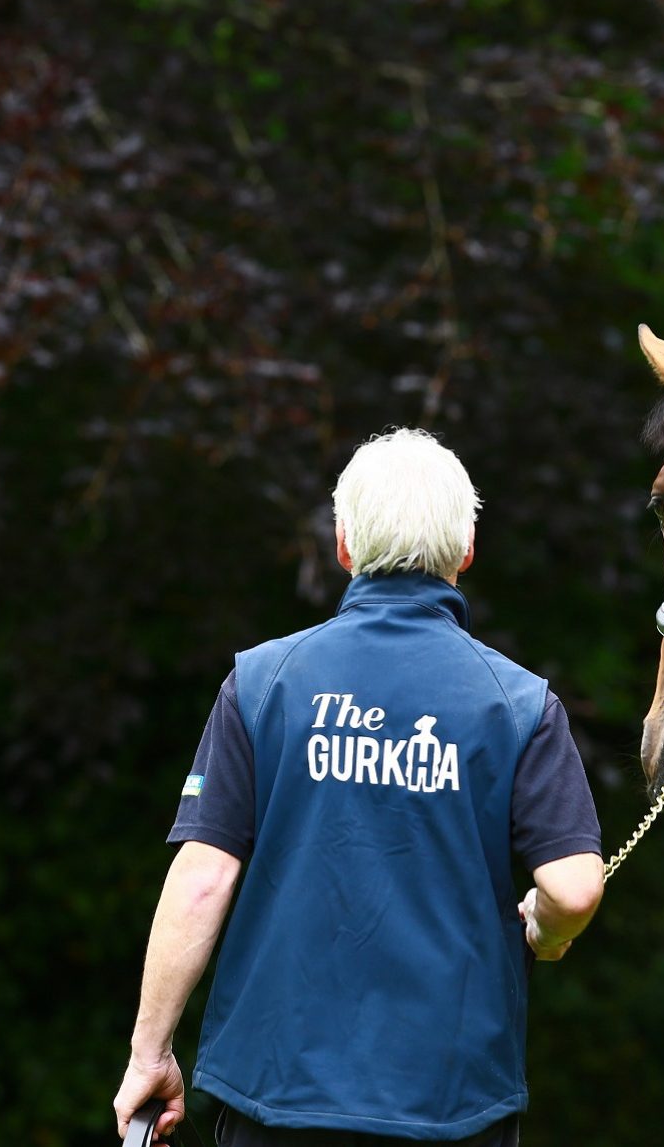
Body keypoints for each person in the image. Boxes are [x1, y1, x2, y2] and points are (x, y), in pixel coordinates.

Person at [111, 428, 604, 1146]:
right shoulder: (519, 703)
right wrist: (549, 929)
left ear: (343, 545)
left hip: (274, 1098)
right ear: (467, 548)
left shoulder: (263, 682)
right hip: (451, 1109)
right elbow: (574, 887)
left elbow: (202, 879)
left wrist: (149, 1052)